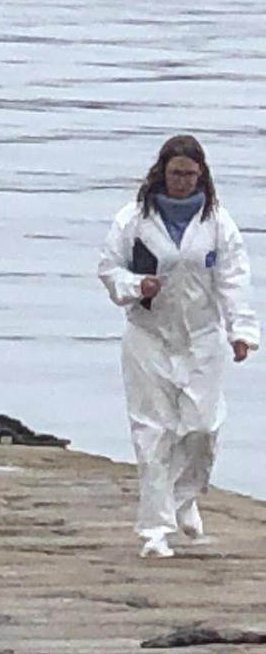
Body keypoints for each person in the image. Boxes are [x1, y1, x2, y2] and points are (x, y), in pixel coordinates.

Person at [98, 135, 258, 559]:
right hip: (148, 337)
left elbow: (233, 280)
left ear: (201, 174)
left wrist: (241, 331)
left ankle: (184, 497)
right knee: (153, 433)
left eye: (190, 174)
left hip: (202, 338)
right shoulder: (133, 220)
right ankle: (154, 530)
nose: (183, 181)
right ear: (161, 173)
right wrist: (136, 285)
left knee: (202, 429)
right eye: (175, 174)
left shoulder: (218, 223)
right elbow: (109, 269)